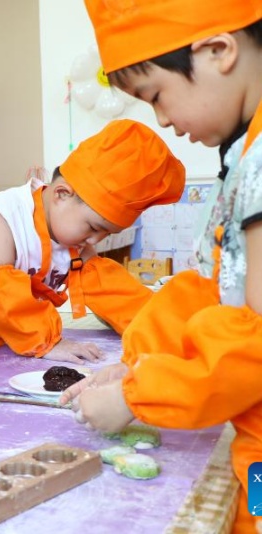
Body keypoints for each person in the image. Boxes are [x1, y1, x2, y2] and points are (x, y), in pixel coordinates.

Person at [63, 3, 262, 532]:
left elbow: (258, 337)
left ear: (218, 51)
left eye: (156, 97)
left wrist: (138, 395)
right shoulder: (245, 151)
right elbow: (210, 287)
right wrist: (139, 362)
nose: (165, 120)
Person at [0, 120, 185, 363]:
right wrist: (48, 342)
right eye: (94, 228)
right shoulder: (8, 211)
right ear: (62, 194)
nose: (95, 240)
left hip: (16, 343)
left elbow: (109, 288)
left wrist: (159, 326)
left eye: (106, 234)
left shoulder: (73, 237)